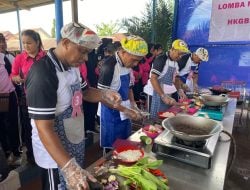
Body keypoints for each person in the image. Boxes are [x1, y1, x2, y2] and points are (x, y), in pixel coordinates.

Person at [25, 22, 122, 190]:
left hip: (73, 142)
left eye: (88, 53)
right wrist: (69, 167)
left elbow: (85, 92)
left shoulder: (72, 67)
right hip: (55, 157)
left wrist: (105, 94)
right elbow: (44, 128)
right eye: (82, 51)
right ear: (65, 43)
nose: (85, 58)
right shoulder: (44, 73)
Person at [97, 35, 148, 150]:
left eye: (138, 61)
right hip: (110, 113)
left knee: (125, 143)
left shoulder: (127, 65)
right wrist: (126, 110)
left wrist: (133, 104)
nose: (135, 64)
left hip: (125, 110)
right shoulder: (109, 66)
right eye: (134, 60)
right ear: (123, 52)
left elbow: (129, 87)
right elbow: (101, 96)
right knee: (113, 147)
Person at [11, 29, 46, 164]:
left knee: (45, 125)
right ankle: (32, 154)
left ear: (37, 42)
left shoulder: (46, 57)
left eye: (29, 43)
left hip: (45, 98)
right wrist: (17, 78)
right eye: (24, 43)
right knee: (29, 127)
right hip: (28, 98)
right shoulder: (19, 58)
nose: (26, 46)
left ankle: (47, 150)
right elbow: (12, 75)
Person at [149, 39, 189, 117]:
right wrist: (163, 96)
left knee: (167, 114)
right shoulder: (161, 59)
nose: (180, 57)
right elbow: (153, 79)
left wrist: (180, 90)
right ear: (172, 49)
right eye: (179, 54)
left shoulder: (176, 62)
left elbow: (176, 79)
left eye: (182, 55)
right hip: (157, 92)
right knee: (157, 116)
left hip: (168, 93)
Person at [0, 53, 21, 165]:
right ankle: (8, 153)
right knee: (1, 128)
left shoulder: (3, 58)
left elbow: (12, 75)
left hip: (8, 96)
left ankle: (16, 152)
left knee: (12, 125)